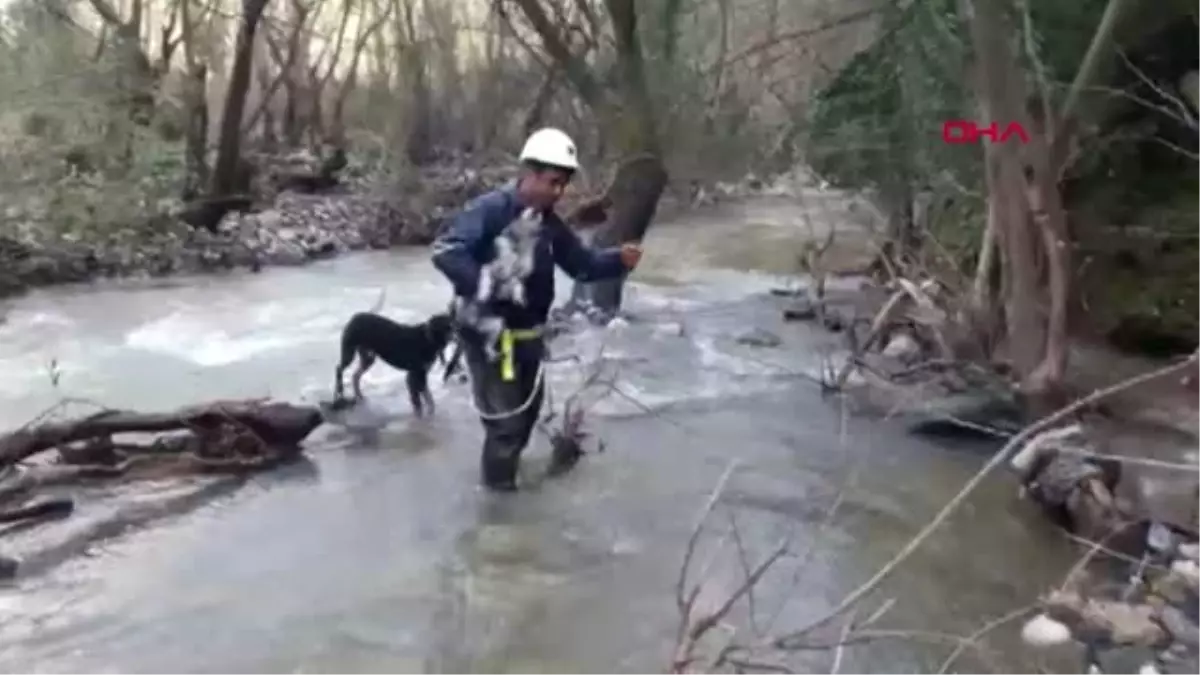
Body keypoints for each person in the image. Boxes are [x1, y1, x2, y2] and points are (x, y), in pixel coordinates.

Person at [431, 128, 642, 492]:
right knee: (506, 426)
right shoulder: (490, 210)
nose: (558, 192)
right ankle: (498, 513)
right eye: (552, 182)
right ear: (528, 173)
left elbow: (582, 266)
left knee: (526, 417)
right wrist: (487, 286)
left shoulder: (549, 225)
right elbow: (446, 252)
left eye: (563, 185)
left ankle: (505, 484)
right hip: (488, 337)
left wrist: (618, 260)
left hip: (528, 337)